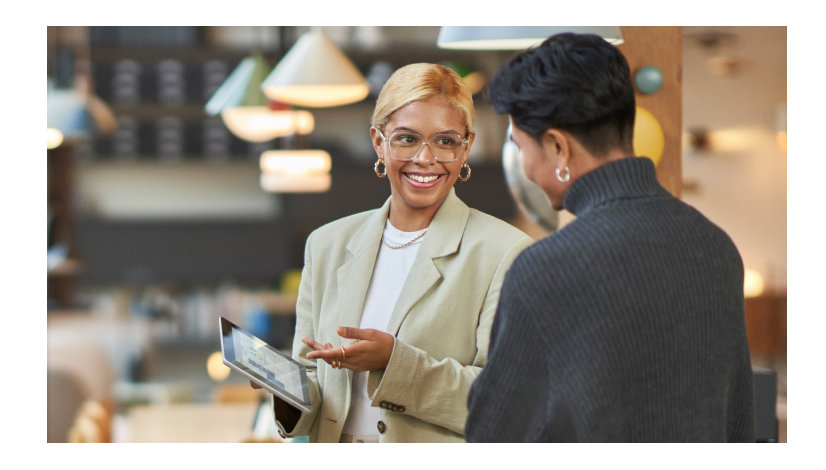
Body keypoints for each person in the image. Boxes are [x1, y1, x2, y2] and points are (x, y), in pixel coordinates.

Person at [465, 33, 754, 442]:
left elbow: (494, 436)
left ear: (558, 147)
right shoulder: (715, 247)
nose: (525, 168)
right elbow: (738, 424)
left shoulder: (546, 269)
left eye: (520, 147)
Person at [256, 63, 533, 443]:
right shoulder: (327, 245)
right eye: (406, 139)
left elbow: (505, 401)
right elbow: (312, 386)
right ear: (378, 141)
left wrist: (393, 363)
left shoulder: (505, 252)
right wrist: (282, 389)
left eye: (446, 141)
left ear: (466, 146)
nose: (425, 158)